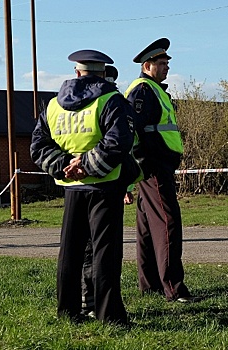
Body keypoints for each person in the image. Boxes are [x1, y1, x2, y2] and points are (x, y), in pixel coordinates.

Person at [30, 50, 140, 324]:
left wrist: (66, 164)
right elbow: (119, 141)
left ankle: (68, 311)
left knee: (70, 251)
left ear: (77, 73)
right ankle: (109, 314)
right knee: (105, 252)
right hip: (105, 185)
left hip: (71, 187)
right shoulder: (111, 100)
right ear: (103, 73)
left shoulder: (54, 105)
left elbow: (38, 146)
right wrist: (88, 165)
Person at [125, 38, 199, 303]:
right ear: (147, 66)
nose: (166, 67)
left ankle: (151, 285)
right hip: (153, 167)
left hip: (152, 168)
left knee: (147, 228)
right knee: (168, 223)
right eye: (161, 63)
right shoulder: (143, 91)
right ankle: (174, 289)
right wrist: (134, 173)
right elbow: (131, 131)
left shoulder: (152, 90)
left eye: (167, 63)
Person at [80, 64, 135, 318]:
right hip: (105, 185)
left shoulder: (75, 105)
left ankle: (87, 301)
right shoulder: (115, 105)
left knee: (86, 248)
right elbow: (122, 149)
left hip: (77, 185)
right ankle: (97, 304)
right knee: (103, 249)